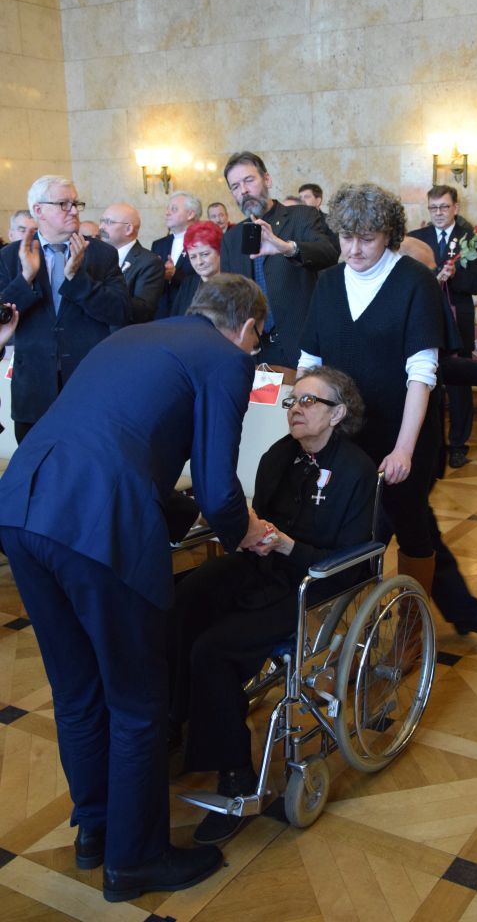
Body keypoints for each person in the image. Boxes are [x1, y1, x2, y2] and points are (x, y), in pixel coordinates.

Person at [0, 275, 268, 901]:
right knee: (137, 701)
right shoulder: (226, 358)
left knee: (77, 690)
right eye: (257, 339)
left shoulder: (133, 336)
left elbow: (115, 437)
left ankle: (95, 830)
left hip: (20, 507)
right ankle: (136, 860)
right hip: (95, 523)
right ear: (248, 328)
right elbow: (217, 487)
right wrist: (247, 534)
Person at [168, 366, 378, 844]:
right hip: (260, 567)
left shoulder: (357, 472)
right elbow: (257, 522)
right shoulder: (279, 455)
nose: (296, 409)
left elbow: (353, 563)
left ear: (338, 414)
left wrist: (286, 545)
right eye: (292, 401)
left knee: (213, 649)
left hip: (311, 587)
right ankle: (174, 721)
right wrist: (248, 530)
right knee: (181, 601)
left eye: (309, 401)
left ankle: (237, 778)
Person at [299, 183, 477, 637]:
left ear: (389, 235)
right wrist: (305, 423)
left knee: (408, 520)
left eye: (367, 239)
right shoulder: (329, 282)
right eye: (347, 237)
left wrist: (403, 449)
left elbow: (423, 372)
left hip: (403, 430)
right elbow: (309, 362)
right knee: (371, 525)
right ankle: (398, 619)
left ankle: (411, 630)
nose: (354, 250)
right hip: (343, 434)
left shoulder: (414, 281)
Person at [0, 175, 131, 443]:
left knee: (87, 462)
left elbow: (120, 311)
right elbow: (2, 317)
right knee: (36, 464)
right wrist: (25, 278)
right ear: (39, 210)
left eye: (75, 203)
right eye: (63, 204)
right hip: (33, 389)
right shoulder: (10, 256)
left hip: (88, 385)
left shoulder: (101, 254)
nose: (73, 210)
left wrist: (78, 280)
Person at [221, 151, 338, 367]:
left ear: (267, 179)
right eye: (235, 186)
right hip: (256, 352)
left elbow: (328, 253)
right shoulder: (232, 238)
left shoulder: (301, 216)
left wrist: (287, 248)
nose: (243, 190)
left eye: (249, 180)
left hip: (303, 346)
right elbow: (230, 296)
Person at [408, 184, 477, 468]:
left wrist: (454, 276)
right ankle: (432, 441)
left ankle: (458, 444)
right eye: (433, 208)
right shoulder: (417, 237)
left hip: (458, 315)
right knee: (426, 377)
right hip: (425, 315)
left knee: (458, 380)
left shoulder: (471, 238)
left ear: (456, 208)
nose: (438, 213)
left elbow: (476, 284)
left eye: (443, 207)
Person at [99, 203, 164, 323]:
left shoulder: (150, 262)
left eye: (108, 222)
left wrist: (99, 295)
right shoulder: (98, 256)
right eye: (101, 221)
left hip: (123, 331)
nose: (101, 227)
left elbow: (143, 311)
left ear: (128, 229)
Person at [151, 191, 202, 318]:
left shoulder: (203, 243)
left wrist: (175, 274)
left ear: (190, 214)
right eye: (168, 209)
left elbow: (207, 281)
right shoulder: (159, 244)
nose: (167, 213)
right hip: (161, 315)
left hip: (191, 313)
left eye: (174, 209)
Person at [169, 220, 222, 316]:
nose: (199, 262)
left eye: (205, 254)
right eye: (193, 257)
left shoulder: (235, 285)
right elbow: (176, 319)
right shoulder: (187, 284)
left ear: (219, 251)